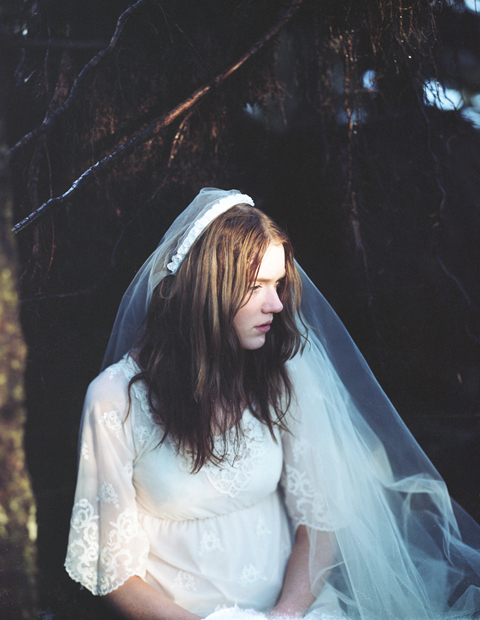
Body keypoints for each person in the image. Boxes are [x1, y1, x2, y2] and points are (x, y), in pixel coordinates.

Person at [65, 188, 480, 620]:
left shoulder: (283, 376)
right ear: (207, 290)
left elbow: (318, 524)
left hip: (297, 609)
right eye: (257, 286)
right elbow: (114, 573)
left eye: (278, 283)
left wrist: (285, 613)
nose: (277, 304)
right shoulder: (114, 400)